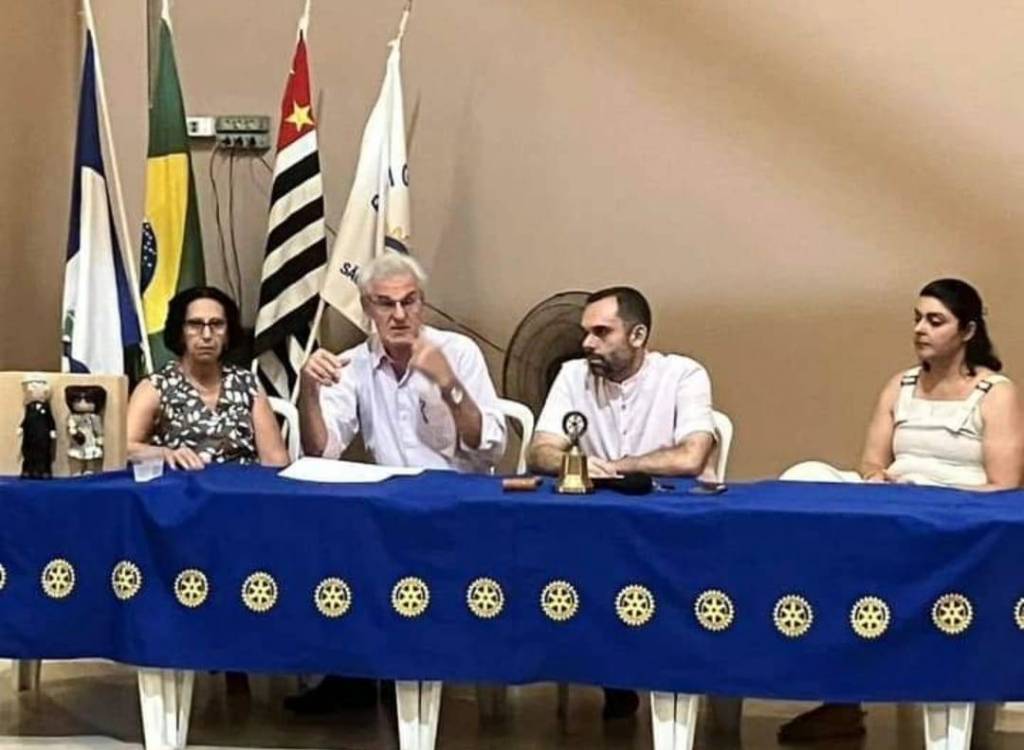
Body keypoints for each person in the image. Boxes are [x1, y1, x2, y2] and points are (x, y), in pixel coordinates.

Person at [776, 278, 1023, 743]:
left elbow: (1005, 484)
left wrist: (930, 492)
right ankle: (840, 695)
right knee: (804, 476)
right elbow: (872, 461)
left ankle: (862, 695)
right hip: (893, 506)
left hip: (954, 518)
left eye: (935, 321)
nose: (920, 329)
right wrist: (879, 480)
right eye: (917, 319)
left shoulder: (995, 392)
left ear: (968, 331)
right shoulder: (901, 385)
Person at [290, 252, 507, 713]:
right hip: (390, 508)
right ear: (367, 308)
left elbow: (489, 447)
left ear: (422, 303)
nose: (400, 314)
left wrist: (448, 386)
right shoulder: (354, 364)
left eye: (409, 301)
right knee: (328, 540)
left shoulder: (457, 352)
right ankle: (354, 671)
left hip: (458, 505)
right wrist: (308, 391)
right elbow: (322, 451)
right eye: (385, 304)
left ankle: (398, 669)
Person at [527, 286, 718, 718]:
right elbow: (539, 452)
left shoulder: (683, 375)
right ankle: (606, 672)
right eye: (586, 332)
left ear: (637, 335)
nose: (586, 343)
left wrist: (616, 466)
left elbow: (691, 457)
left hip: (668, 520)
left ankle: (662, 675)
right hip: (596, 523)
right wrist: (577, 465)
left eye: (601, 332)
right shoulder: (573, 375)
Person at [127, 286, 288, 470]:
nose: (206, 335)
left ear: (228, 334)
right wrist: (164, 454)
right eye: (195, 325)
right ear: (180, 332)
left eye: (217, 324)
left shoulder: (247, 384)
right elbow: (123, 448)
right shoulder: (156, 386)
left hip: (242, 484)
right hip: (181, 483)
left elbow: (276, 461)